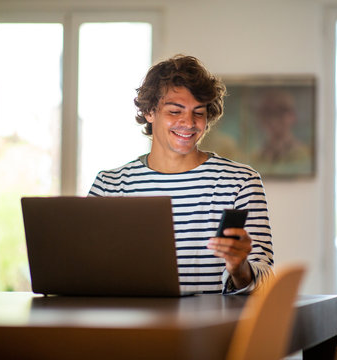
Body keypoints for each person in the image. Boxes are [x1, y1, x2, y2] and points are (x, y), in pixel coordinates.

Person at [89, 55, 273, 294]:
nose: (189, 123)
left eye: (198, 112)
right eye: (175, 111)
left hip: (213, 330)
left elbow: (267, 281)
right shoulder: (109, 186)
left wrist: (240, 269)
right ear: (149, 112)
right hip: (132, 328)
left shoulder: (241, 182)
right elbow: (88, 273)